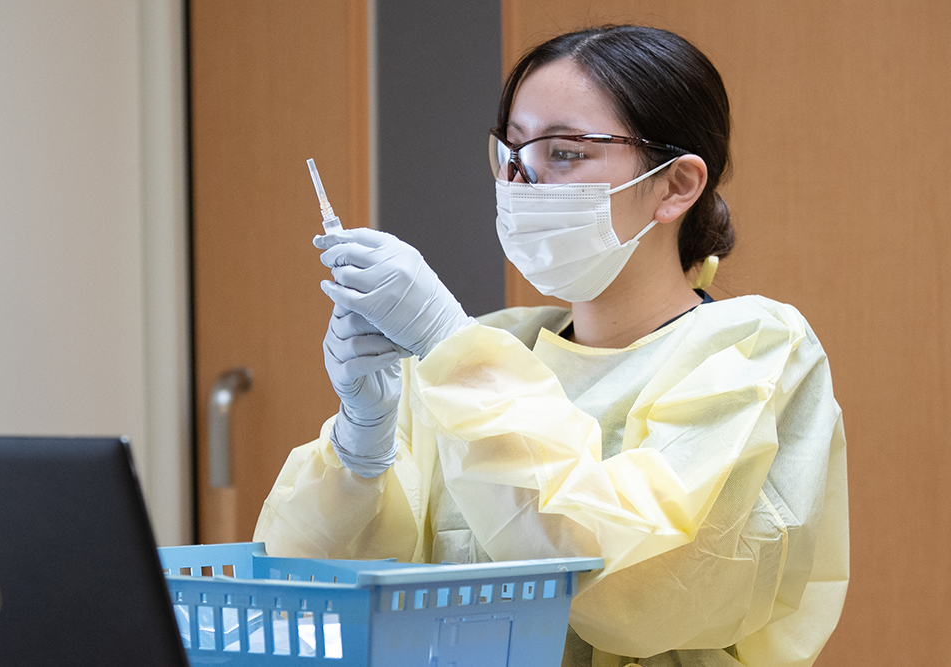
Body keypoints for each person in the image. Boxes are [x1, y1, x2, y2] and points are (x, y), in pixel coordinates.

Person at [255, 24, 848, 667]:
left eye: (563, 152)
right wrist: (362, 446)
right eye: (512, 152)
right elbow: (311, 598)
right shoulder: (493, 350)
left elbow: (638, 592)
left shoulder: (750, 351)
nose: (522, 181)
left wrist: (450, 344)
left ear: (675, 185)